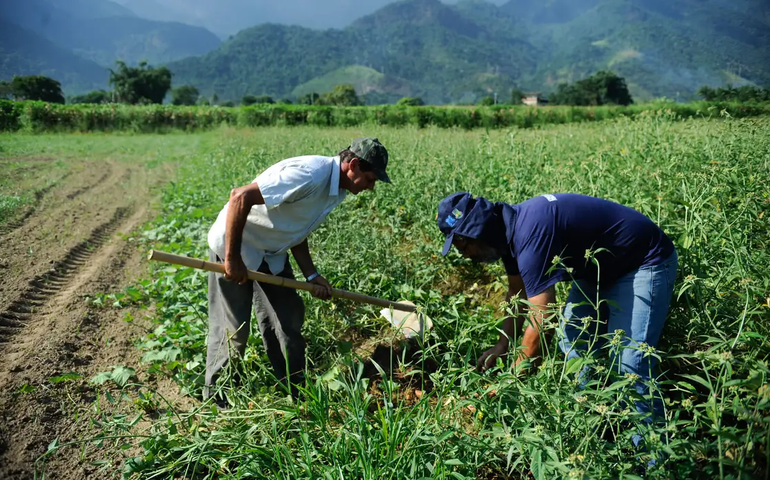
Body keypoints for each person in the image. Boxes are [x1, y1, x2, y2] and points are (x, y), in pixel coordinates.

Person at [436, 192, 678, 429]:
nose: (463, 254)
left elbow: (542, 318)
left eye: (460, 244)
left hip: (643, 261)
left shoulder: (531, 232)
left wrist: (510, 383)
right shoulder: (505, 234)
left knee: (629, 364)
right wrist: (503, 345)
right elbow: (517, 294)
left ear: (477, 231)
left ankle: (651, 459)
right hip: (595, 269)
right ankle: (593, 424)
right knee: (573, 343)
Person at [205, 137, 391, 401]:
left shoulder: (336, 190)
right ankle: (217, 399)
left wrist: (312, 275)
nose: (371, 187)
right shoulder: (310, 175)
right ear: (354, 165)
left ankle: (295, 391)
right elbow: (240, 196)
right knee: (233, 330)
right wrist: (231, 258)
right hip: (235, 246)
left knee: (287, 320)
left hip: (271, 253)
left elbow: (297, 229)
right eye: (371, 179)